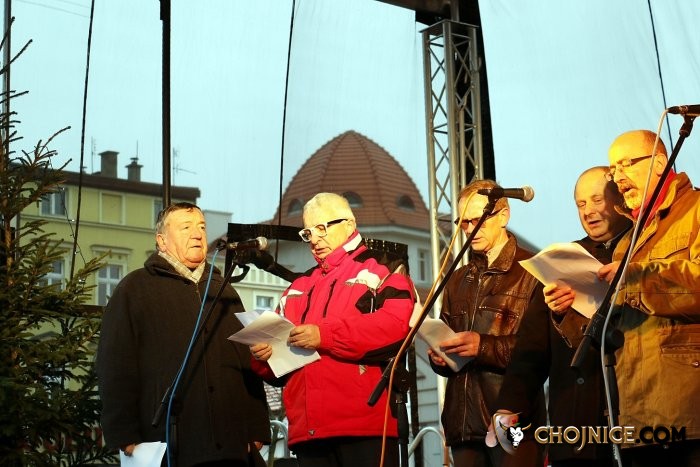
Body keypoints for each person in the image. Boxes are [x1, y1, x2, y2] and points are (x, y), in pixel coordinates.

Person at [96, 202, 270, 467]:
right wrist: (124, 434)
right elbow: (115, 365)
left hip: (231, 444)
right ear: (161, 240)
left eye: (202, 227)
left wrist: (257, 427)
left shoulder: (224, 291)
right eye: (186, 227)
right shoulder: (134, 289)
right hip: (167, 443)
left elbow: (245, 363)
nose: (198, 234)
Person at [248, 192, 416, 467]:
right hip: (308, 431)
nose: (314, 239)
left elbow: (396, 328)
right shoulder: (298, 286)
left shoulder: (384, 268)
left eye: (321, 228)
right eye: (308, 233)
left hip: (363, 426)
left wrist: (324, 335)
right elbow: (277, 366)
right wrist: (264, 356)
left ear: (349, 225)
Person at [492, 166, 631, 466]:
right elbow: (532, 346)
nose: (588, 211)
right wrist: (509, 404)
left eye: (596, 200)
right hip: (573, 422)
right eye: (580, 204)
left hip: (630, 417)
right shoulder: (564, 260)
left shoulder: (642, 252)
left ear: (619, 200)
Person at [595, 129, 700, 467]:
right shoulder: (628, 240)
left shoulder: (696, 210)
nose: (618, 177)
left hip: (687, 405)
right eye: (613, 170)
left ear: (658, 163)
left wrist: (635, 278)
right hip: (636, 413)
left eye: (626, 164)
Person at [427, 179, 545, 467]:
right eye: (463, 222)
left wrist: (482, 346)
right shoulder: (458, 277)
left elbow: (540, 350)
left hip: (512, 419)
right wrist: (439, 357)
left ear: (503, 216)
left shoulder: (533, 270)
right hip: (463, 424)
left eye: (477, 220)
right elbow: (446, 336)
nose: (470, 229)